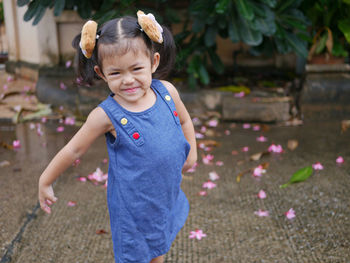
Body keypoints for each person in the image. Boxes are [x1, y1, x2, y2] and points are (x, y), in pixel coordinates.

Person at [38, 11, 197, 263]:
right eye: (116, 74)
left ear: (153, 62)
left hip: (164, 195)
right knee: (136, 255)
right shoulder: (106, 115)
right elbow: (73, 150)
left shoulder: (167, 92)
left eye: (136, 69)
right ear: (101, 73)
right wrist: (45, 180)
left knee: (159, 245)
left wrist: (192, 152)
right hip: (133, 209)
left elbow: (185, 121)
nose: (128, 80)